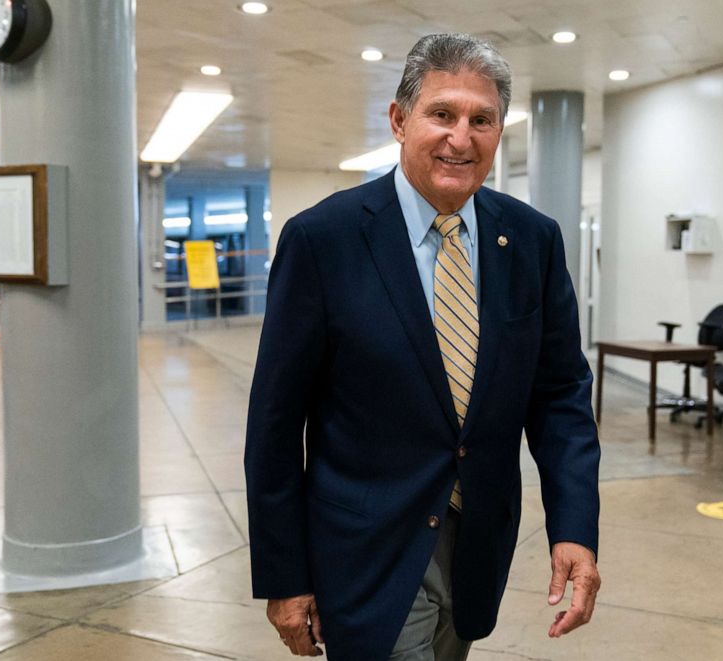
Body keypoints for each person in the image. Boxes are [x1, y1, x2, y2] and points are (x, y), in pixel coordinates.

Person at [245, 33, 601, 661]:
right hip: (366, 548)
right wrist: (284, 575)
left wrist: (573, 526)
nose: (461, 138)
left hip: (476, 545)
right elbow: (275, 425)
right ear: (400, 119)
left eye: (481, 119)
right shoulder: (322, 241)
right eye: (442, 113)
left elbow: (560, 396)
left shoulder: (532, 241)